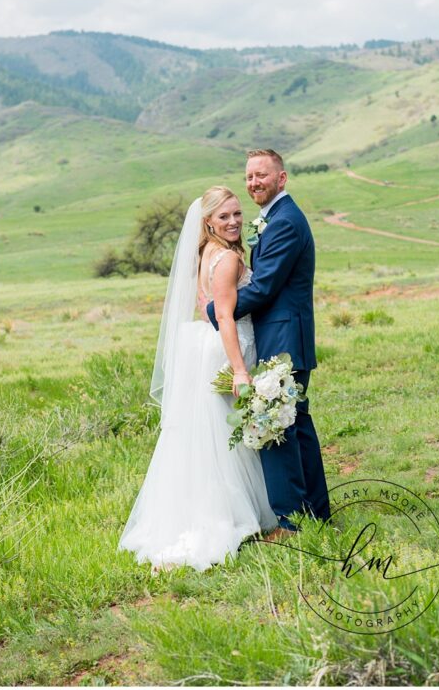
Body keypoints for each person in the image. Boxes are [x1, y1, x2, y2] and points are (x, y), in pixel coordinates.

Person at [119, 186, 278, 571]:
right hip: (223, 348)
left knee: (203, 433)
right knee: (222, 437)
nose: (234, 222)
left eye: (237, 214)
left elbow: (200, 303)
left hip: (201, 346)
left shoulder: (204, 252)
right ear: (208, 221)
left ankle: (196, 510)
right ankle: (220, 518)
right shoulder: (225, 259)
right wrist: (240, 369)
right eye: (224, 217)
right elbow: (223, 315)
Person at [205, 149, 330, 536]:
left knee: (276, 426)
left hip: (283, 337)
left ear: (282, 178)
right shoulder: (275, 218)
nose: (254, 182)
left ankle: (291, 523)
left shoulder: (286, 222)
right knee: (296, 424)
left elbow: (262, 287)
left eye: (262, 175)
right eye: (249, 176)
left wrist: (216, 311)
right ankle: (315, 513)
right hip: (282, 335)